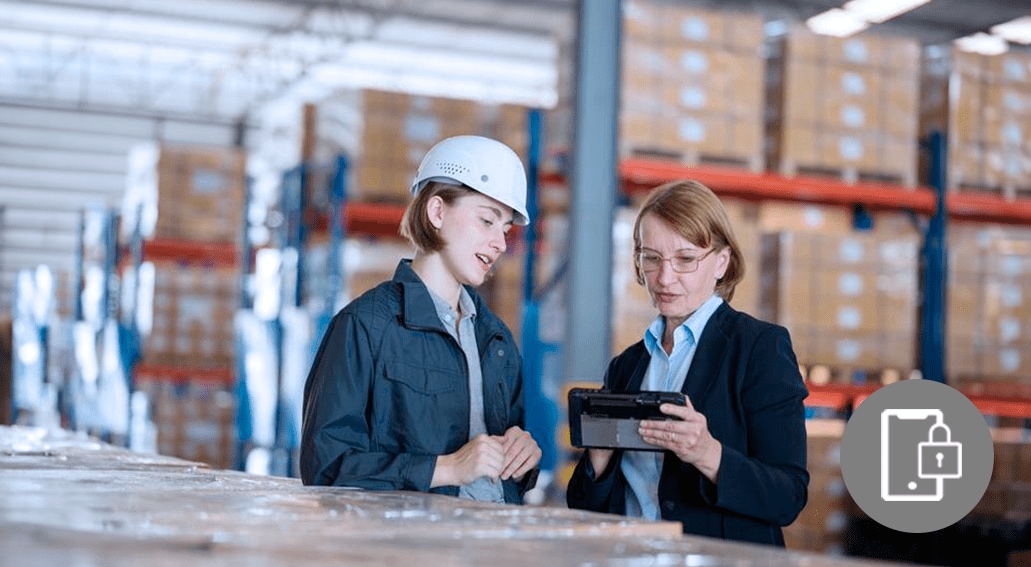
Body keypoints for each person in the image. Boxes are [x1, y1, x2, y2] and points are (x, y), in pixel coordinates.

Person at [566, 179, 808, 546]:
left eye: (685, 259)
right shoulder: (626, 366)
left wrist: (709, 454)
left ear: (721, 263)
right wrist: (598, 461)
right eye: (652, 258)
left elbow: (788, 496)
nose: (664, 278)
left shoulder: (759, 348)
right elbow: (588, 508)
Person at [300, 135, 541, 504]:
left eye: (505, 230)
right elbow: (326, 467)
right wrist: (446, 469)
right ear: (437, 212)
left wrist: (523, 459)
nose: (500, 244)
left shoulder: (496, 340)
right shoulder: (365, 327)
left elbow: (501, 472)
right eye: (487, 221)